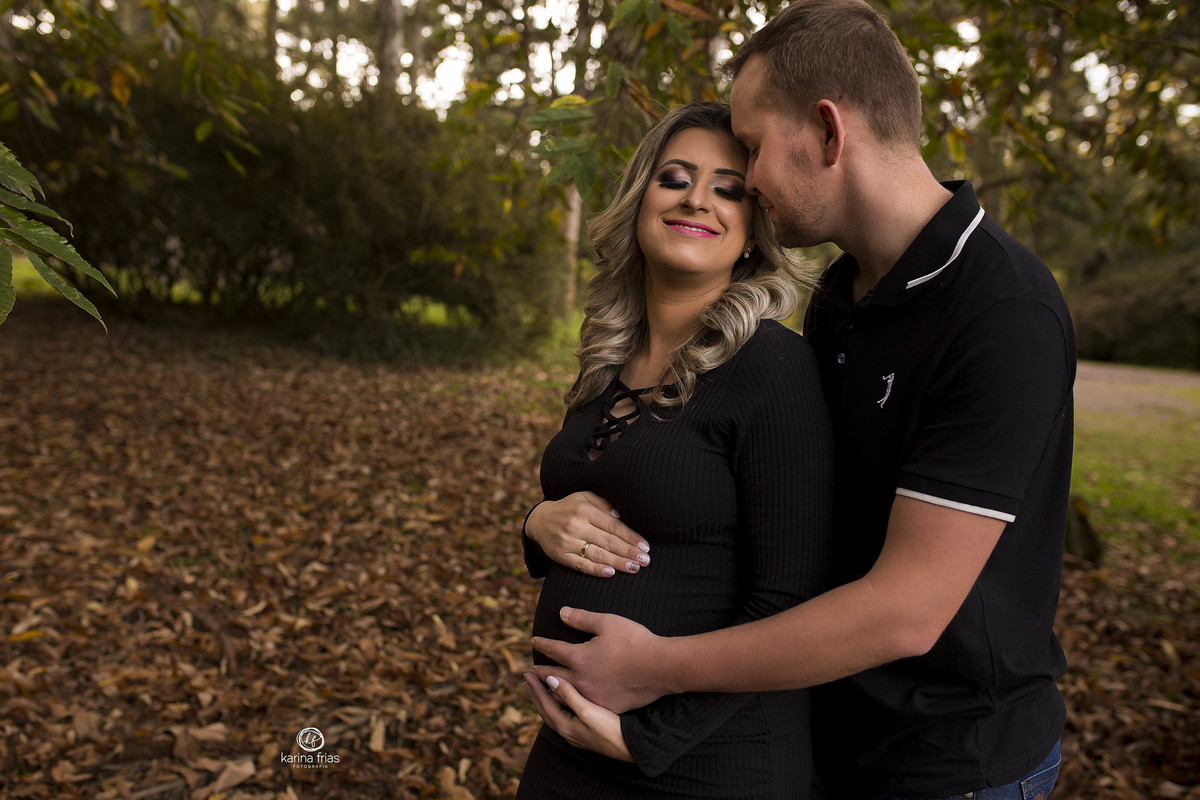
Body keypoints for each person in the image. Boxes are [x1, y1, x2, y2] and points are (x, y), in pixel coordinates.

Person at [523, 2, 1076, 799]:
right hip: (831, 732)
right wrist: (541, 523)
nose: (742, 180)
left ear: (826, 130)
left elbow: (904, 612)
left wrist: (656, 673)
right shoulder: (846, 296)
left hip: (949, 764)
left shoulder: (1001, 313)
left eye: (748, 148)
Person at [517, 101, 835, 798]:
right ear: (639, 200)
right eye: (676, 178)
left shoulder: (772, 369)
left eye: (728, 188)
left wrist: (645, 739)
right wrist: (538, 524)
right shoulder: (608, 356)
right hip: (573, 747)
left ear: (753, 233)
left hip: (704, 765)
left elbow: (791, 599)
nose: (697, 198)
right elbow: (598, 499)